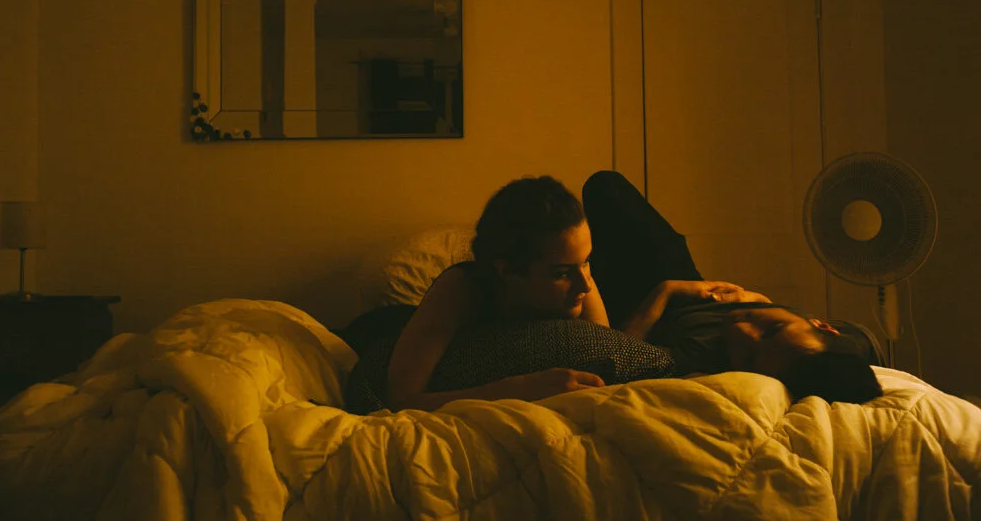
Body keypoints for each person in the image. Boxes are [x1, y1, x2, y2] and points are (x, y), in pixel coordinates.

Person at [378, 171, 882, 412]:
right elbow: (400, 396)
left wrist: (663, 293)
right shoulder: (461, 288)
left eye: (587, 262)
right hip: (394, 332)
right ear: (508, 271)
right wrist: (519, 389)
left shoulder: (583, 284)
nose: (584, 283)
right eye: (562, 272)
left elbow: (611, 346)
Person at [582, 170, 884, 404]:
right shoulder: (830, 343)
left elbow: (616, 354)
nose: (742, 330)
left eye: (749, 358)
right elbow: (867, 343)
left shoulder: (700, 355)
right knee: (606, 187)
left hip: (645, 303)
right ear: (821, 324)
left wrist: (665, 292)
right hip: (689, 280)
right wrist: (760, 300)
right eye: (772, 328)